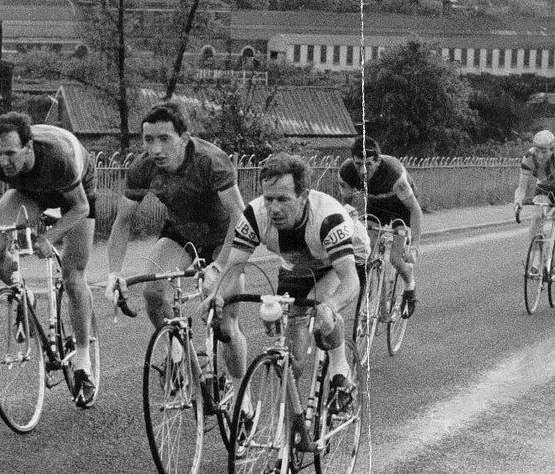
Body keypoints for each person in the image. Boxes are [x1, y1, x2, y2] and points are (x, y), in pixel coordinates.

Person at [0, 112, 98, 408]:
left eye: (10, 153)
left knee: (73, 277)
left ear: (29, 147)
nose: (4, 161)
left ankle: (83, 364)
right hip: (30, 191)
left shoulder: (57, 157)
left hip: (76, 192)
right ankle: (25, 295)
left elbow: (80, 207)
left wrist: (49, 237)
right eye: (0, 154)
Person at [104, 100, 246, 382]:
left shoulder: (211, 161)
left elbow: (239, 217)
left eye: (165, 139)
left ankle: (243, 397)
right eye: (148, 140)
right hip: (181, 232)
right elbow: (123, 221)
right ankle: (179, 351)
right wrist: (113, 273)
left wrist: (218, 265)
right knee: (152, 294)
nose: (156, 149)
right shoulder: (143, 167)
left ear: (184, 139)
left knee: (226, 324)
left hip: (223, 236)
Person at [215, 153, 366, 415]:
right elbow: (233, 268)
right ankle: (292, 428)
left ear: (304, 196)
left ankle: (340, 371)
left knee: (323, 318)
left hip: (342, 263)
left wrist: (330, 306)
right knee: (293, 355)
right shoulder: (254, 215)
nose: (274, 208)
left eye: (283, 199)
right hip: (296, 265)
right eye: (268, 198)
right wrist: (216, 296)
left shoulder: (327, 217)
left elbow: (350, 281)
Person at [338, 136, 422, 318]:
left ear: (378, 161)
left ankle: (410, 286)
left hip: (400, 207)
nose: (362, 170)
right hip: (376, 205)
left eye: (368, 164)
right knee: (368, 252)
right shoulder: (346, 172)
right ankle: (376, 302)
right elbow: (345, 206)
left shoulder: (393, 173)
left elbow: (415, 210)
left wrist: (415, 245)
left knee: (395, 258)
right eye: (358, 164)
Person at [513, 129, 555, 287]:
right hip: (544, 187)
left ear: (552, 149)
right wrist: (518, 200)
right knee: (537, 217)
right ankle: (536, 263)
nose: (540, 154)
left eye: (544, 151)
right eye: (537, 150)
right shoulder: (529, 157)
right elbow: (521, 187)